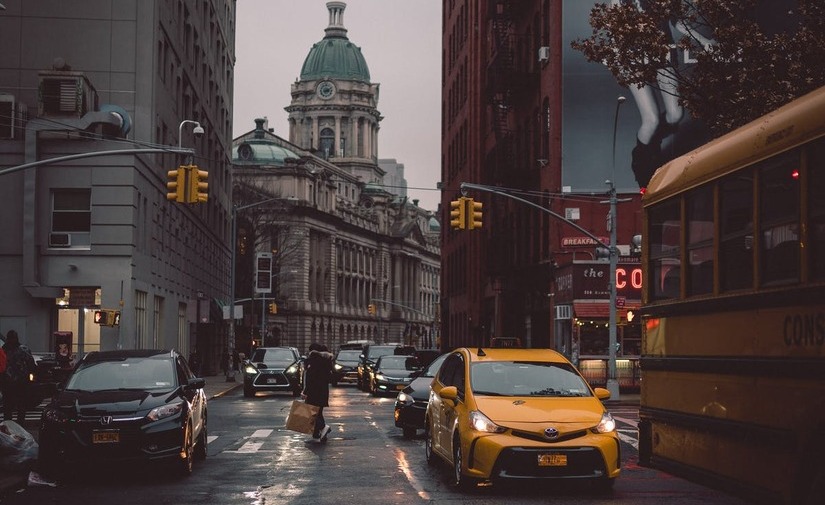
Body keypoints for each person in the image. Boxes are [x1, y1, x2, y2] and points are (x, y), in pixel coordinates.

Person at [302, 342, 334, 443]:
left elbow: (310, 379)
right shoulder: (325, 361)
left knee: (313, 413)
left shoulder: (313, 362)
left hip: (314, 392)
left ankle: (323, 427)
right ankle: (317, 433)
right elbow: (329, 378)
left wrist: (305, 391)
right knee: (318, 412)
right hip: (323, 391)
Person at [2, 330, 37, 424]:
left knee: (9, 407)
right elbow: (31, 365)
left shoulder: (4, 350)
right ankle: (18, 425)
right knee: (19, 406)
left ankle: (9, 425)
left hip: (9, 382)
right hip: (19, 382)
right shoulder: (23, 349)